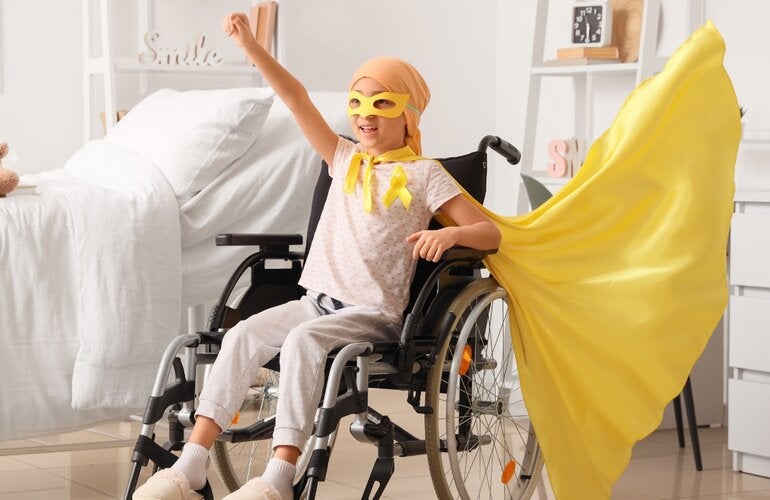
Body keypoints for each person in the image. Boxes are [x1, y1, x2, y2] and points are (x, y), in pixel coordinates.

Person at [133, 11, 501, 500]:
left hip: (372, 313)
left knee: (303, 342)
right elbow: (295, 98)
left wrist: (451, 235)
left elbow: (490, 232)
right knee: (241, 335)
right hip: (315, 302)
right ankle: (193, 463)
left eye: (382, 103)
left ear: (408, 114)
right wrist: (251, 47)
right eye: (357, 102)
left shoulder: (425, 174)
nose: (366, 114)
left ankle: (279, 476)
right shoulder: (343, 157)